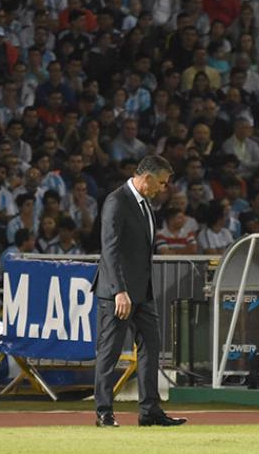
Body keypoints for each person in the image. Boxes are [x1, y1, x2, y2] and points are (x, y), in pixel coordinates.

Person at [93, 155, 186, 427]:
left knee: (151, 348)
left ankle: (150, 411)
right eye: (161, 182)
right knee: (109, 353)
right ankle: (103, 412)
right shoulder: (116, 201)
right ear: (146, 178)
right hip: (118, 294)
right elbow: (109, 249)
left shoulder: (146, 206)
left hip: (142, 293)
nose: (163, 188)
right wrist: (119, 291)